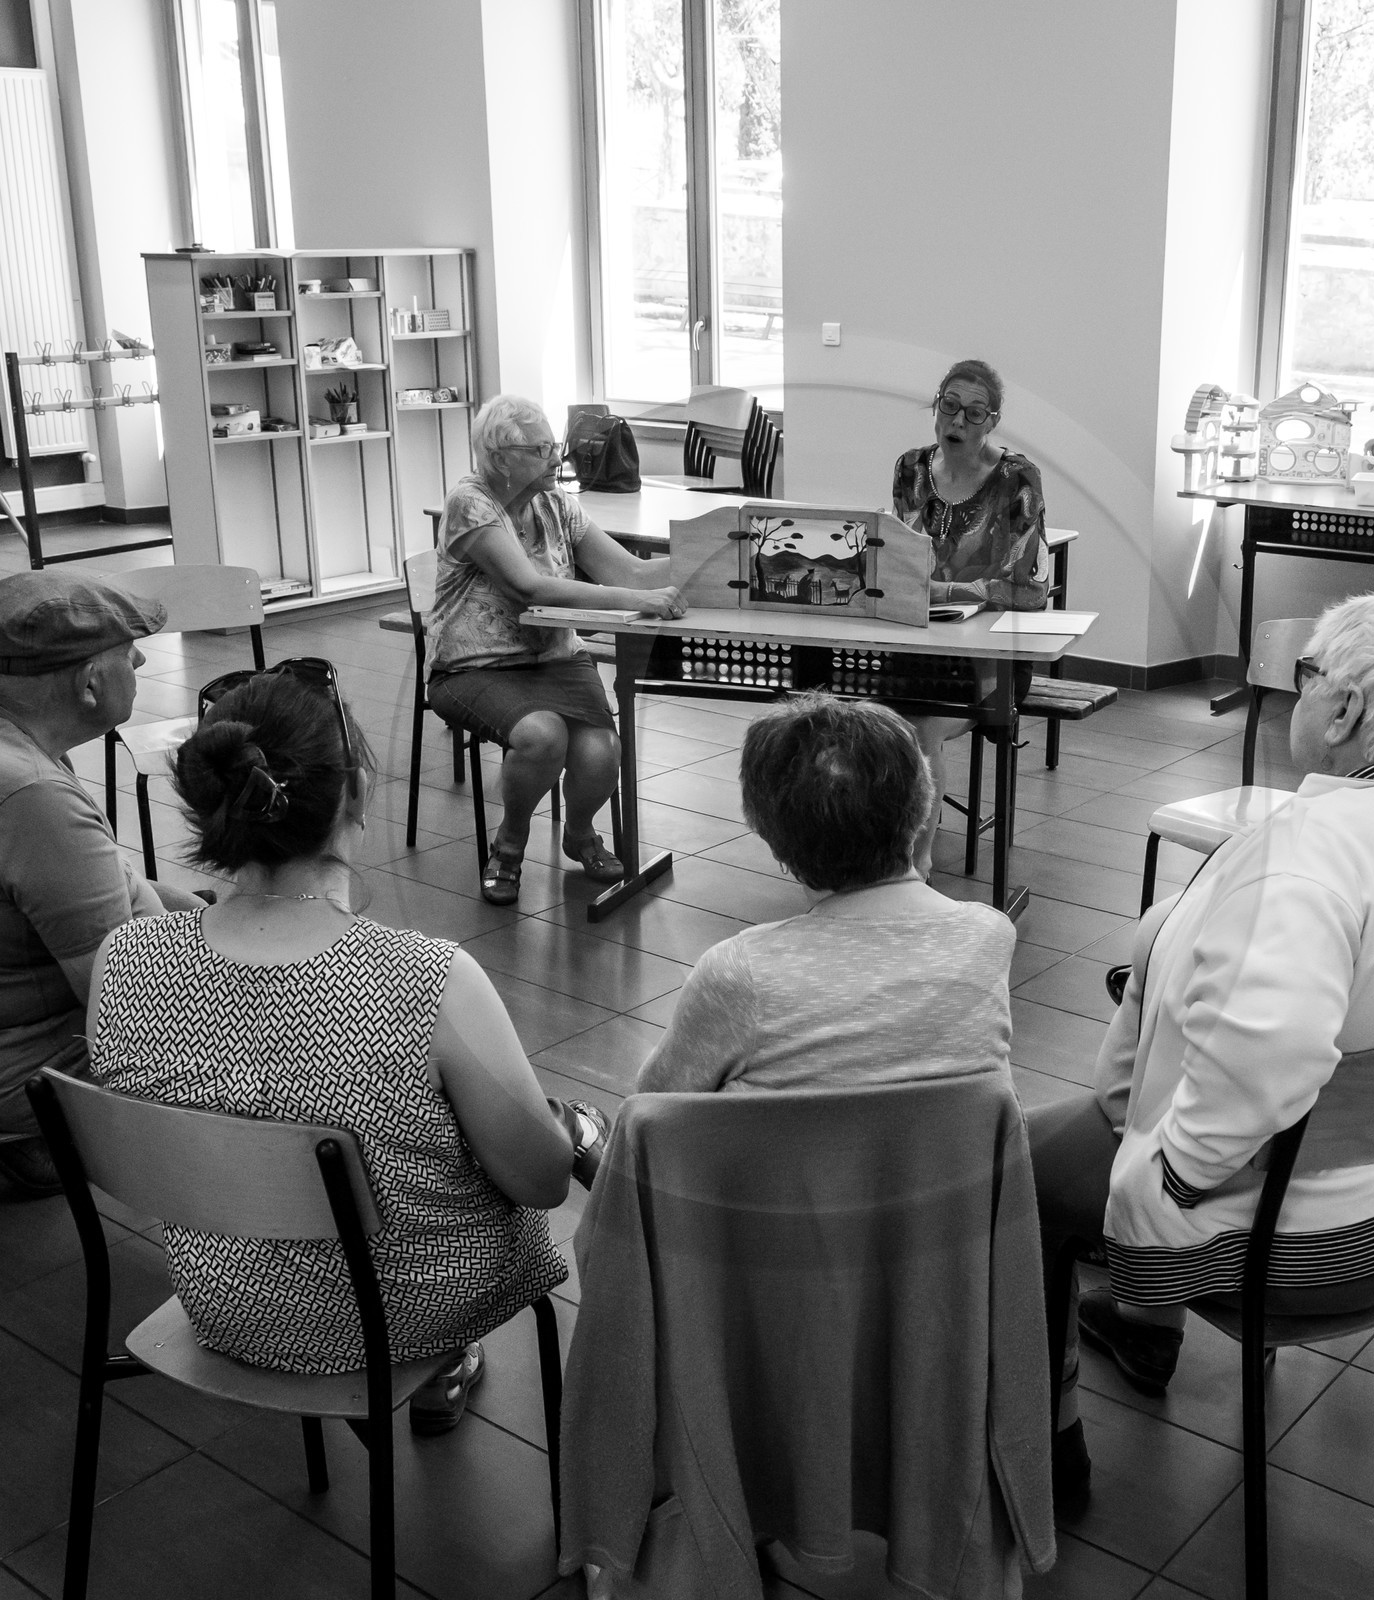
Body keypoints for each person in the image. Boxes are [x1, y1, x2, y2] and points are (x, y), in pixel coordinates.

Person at [1025, 592, 1374, 1495]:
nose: (1301, 698)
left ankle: (1038, 1450)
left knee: (1008, 1163)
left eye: (1308, 679)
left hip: (1307, 1246)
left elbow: (1262, 1071)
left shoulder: (1307, 853)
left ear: (1345, 711)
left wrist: (1169, 1178)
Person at [87, 662, 606, 1431]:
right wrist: (573, 1134)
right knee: (568, 1138)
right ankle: (455, 1357)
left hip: (226, 1299)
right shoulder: (427, 980)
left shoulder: (124, 959)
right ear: (354, 793)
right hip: (408, 1310)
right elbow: (539, 1184)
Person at [637, 692, 1017, 1093]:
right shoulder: (990, 935)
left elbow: (650, 1108)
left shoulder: (735, 975)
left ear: (769, 836)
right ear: (924, 805)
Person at [426, 393, 686, 905]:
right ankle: (510, 844)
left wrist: (711, 554)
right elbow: (530, 587)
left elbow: (629, 571)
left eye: (554, 445)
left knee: (601, 752)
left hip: (557, 660)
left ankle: (580, 832)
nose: (556, 458)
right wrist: (639, 600)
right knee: (542, 737)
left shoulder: (558, 504)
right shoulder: (471, 502)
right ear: (500, 458)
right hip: (473, 667)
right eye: (542, 448)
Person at [0, 571, 200, 1199]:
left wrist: (200, 919)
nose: (140, 658)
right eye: (126, 652)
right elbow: (125, 1005)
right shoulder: (34, 800)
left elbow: (97, 888)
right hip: (37, 1086)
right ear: (89, 683)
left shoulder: (19, 748)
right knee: (315, 1049)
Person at [890, 359, 1048, 878]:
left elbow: (1031, 592)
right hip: (915, 645)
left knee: (919, 723)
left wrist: (953, 590)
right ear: (936, 407)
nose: (958, 422)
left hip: (988, 659)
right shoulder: (911, 470)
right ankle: (855, 852)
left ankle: (915, 866)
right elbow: (897, 561)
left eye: (974, 414)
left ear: (993, 421)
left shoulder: (1016, 480)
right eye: (949, 407)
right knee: (837, 708)